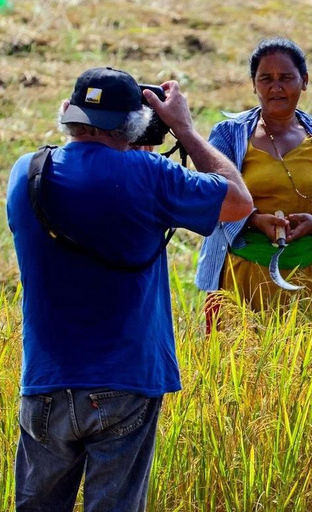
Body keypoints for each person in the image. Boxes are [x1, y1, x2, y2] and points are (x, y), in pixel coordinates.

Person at [6, 67, 252, 511]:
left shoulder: (27, 173)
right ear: (137, 125)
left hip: (44, 381)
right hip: (124, 383)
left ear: (67, 112)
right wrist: (185, 129)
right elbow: (238, 201)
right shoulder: (150, 175)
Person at [195, 37, 312, 326]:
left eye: (286, 78)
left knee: (308, 365)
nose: (276, 87)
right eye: (266, 79)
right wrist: (254, 220)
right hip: (242, 276)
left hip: (311, 279)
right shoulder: (229, 135)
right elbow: (210, 199)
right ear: (253, 84)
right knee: (240, 363)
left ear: (304, 81)